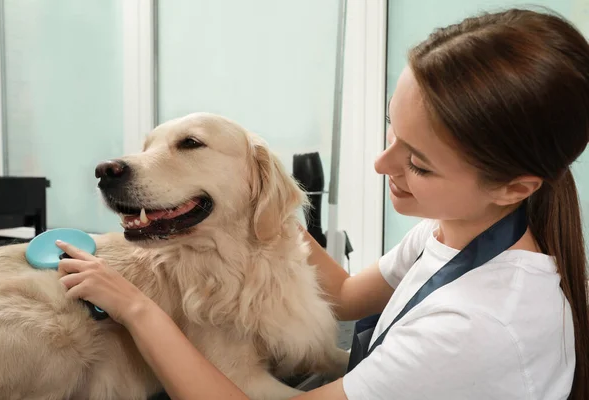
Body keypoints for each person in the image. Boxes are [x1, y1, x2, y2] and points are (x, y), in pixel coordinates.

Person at [56, 7, 589, 400]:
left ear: (514, 186)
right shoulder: (451, 231)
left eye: (419, 163)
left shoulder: (477, 328)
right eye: (392, 130)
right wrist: (258, 199)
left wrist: (135, 308)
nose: (382, 165)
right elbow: (351, 296)